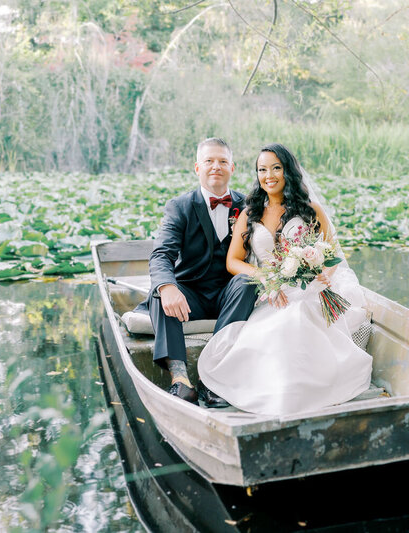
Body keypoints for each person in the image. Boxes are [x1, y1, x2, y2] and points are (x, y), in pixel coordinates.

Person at [197, 143, 373, 416]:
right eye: (262, 169)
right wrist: (268, 279)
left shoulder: (310, 209)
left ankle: (302, 392)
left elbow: (333, 253)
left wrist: (326, 271)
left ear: (288, 171)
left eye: (276, 168)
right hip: (270, 291)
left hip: (307, 291)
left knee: (299, 314)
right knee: (274, 325)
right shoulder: (250, 212)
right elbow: (233, 262)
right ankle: (273, 392)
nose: (269, 175)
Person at [137, 138, 258, 407]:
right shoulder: (180, 206)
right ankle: (181, 380)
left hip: (231, 297)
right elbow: (161, 255)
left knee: (248, 281)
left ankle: (215, 377)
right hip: (191, 295)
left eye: (223, 161)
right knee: (159, 293)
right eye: (209, 161)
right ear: (197, 168)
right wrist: (168, 287)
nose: (216, 166)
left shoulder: (249, 205)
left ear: (232, 168)